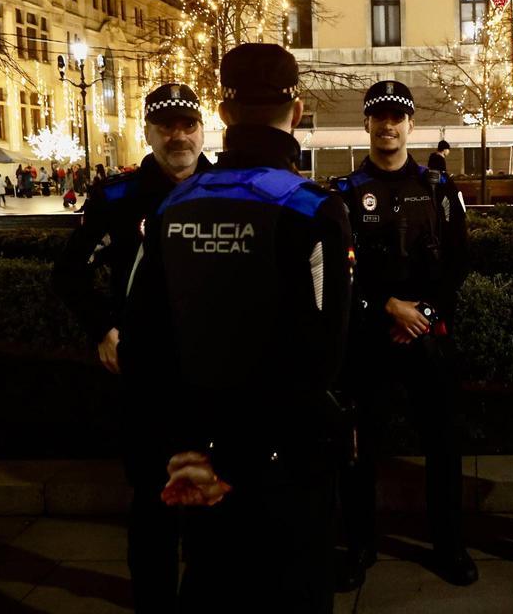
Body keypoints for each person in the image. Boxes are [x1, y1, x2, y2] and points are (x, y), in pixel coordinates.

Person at [120, 43, 352, 612]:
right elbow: (321, 356)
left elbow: (143, 344)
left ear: (223, 115)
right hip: (287, 462)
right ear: (296, 113)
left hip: (199, 459)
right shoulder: (313, 209)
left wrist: (190, 450)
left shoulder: (174, 208)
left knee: (211, 585)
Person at [52, 82, 211, 612]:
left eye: (188, 124)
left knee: (216, 510)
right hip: (146, 376)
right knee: (152, 506)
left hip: (216, 374)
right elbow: (69, 273)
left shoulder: (232, 191)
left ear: (203, 128)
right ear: (147, 132)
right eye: (166, 125)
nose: (178, 136)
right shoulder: (118, 198)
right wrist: (103, 328)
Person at [332, 81, 476, 590]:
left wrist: (422, 312)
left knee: (442, 445)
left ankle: (448, 545)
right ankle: (360, 547)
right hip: (369, 340)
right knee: (358, 450)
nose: (388, 125)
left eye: (397, 117)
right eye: (379, 117)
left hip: (427, 335)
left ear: (411, 124)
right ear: (367, 124)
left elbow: (458, 261)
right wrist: (387, 309)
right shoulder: (344, 194)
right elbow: (339, 274)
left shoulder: (439, 189)